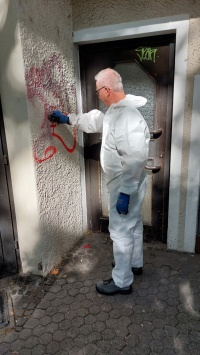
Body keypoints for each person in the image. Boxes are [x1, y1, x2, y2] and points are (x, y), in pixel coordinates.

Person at [48, 68, 150, 296]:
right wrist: (69, 119)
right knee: (132, 224)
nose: (98, 95)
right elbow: (97, 121)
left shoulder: (127, 116)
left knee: (121, 230)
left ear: (106, 89)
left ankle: (122, 281)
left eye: (98, 91)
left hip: (126, 181)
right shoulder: (117, 111)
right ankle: (134, 263)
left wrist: (125, 191)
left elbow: (135, 157)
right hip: (130, 181)